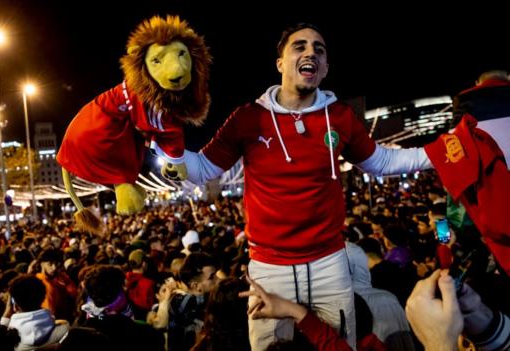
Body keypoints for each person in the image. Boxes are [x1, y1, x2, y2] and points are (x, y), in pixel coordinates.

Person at [163, 22, 432, 349]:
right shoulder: (247, 118)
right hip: (269, 266)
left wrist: (438, 153)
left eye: (319, 49)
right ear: (280, 64)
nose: (310, 53)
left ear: (325, 69)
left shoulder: (341, 117)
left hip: (330, 263)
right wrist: (166, 148)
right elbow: (202, 168)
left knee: (337, 343)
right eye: (299, 46)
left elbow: (383, 162)